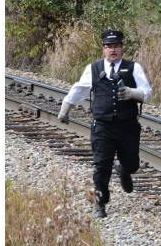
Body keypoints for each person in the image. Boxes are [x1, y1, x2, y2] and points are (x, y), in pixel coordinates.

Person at [58, 31, 153, 218]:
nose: (113, 50)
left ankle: (124, 170)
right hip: (102, 126)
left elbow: (147, 92)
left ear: (122, 48)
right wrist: (65, 108)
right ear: (103, 49)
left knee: (132, 164)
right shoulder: (93, 68)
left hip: (127, 126)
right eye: (109, 46)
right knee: (101, 165)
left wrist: (133, 93)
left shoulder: (133, 67)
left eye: (117, 46)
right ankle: (100, 204)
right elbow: (79, 88)